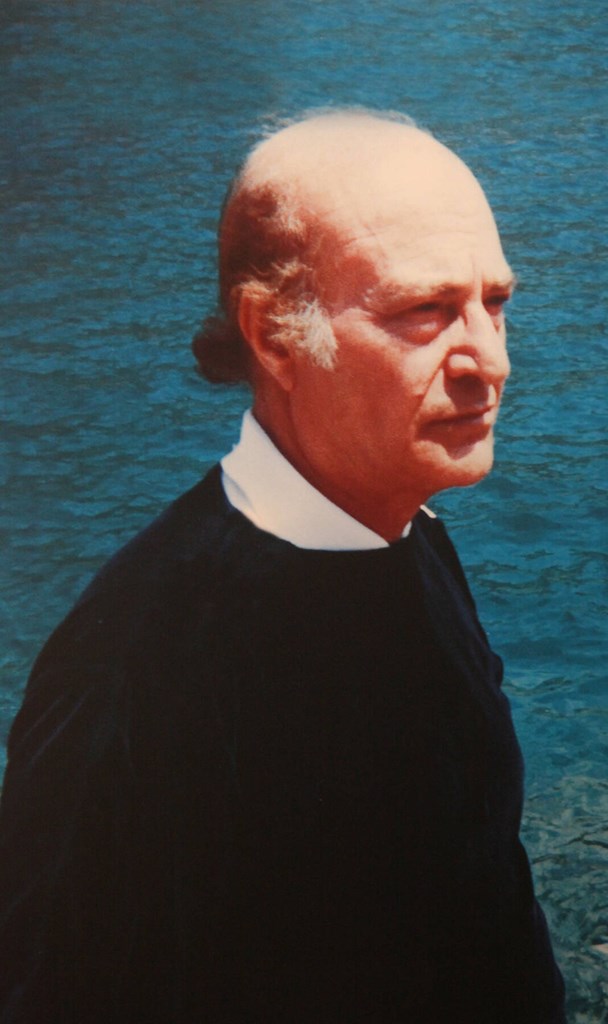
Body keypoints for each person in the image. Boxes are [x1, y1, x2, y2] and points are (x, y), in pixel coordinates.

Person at [0, 109, 566, 1022]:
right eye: (423, 312)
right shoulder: (132, 673)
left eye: (493, 303)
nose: (489, 361)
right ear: (272, 335)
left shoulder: (406, 536)